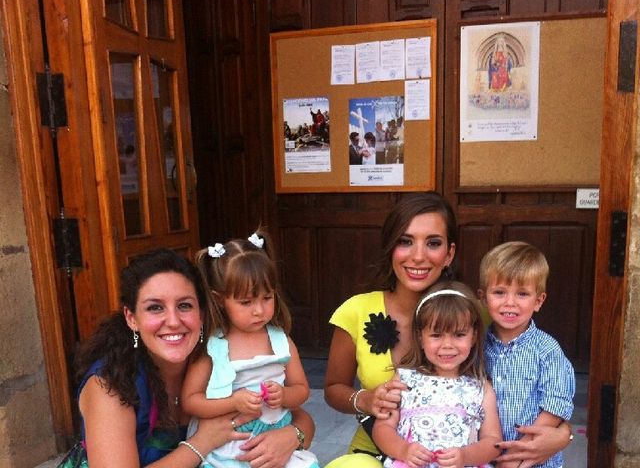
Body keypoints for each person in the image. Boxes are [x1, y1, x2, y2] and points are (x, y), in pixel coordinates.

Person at [323, 192, 573, 468]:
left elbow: (533, 381)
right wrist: (365, 398)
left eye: (433, 243)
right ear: (391, 246)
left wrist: (563, 434)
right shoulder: (356, 310)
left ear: (449, 253)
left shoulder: (478, 314)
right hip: (378, 454)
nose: (418, 256)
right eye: (405, 241)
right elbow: (334, 389)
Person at [69, 248, 313, 468]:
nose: (173, 321)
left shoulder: (210, 359)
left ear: (203, 312)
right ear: (132, 318)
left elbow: (298, 415)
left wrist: (292, 437)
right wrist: (201, 443)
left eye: (184, 305)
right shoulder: (110, 385)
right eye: (155, 307)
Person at [182, 231, 319, 467]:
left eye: (267, 297)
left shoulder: (281, 341)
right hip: (230, 442)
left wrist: (284, 395)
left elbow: (301, 389)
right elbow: (191, 401)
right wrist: (233, 403)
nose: (259, 310)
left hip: (276, 433)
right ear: (219, 299)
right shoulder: (213, 346)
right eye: (246, 302)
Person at [372, 281, 502, 467]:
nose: (447, 345)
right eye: (436, 335)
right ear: (420, 337)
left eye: (459, 335)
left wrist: (466, 456)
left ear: (473, 336)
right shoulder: (405, 380)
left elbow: (493, 442)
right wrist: (403, 450)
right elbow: (382, 428)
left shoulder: (481, 388)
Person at [478, 241, 575, 468]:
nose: (510, 303)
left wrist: (519, 454)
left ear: (539, 301)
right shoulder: (476, 347)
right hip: (483, 459)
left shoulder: (547, 350)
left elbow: (556, 405)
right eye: (499, 292)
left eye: (522, 294)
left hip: (534, 460)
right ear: (483, 298)